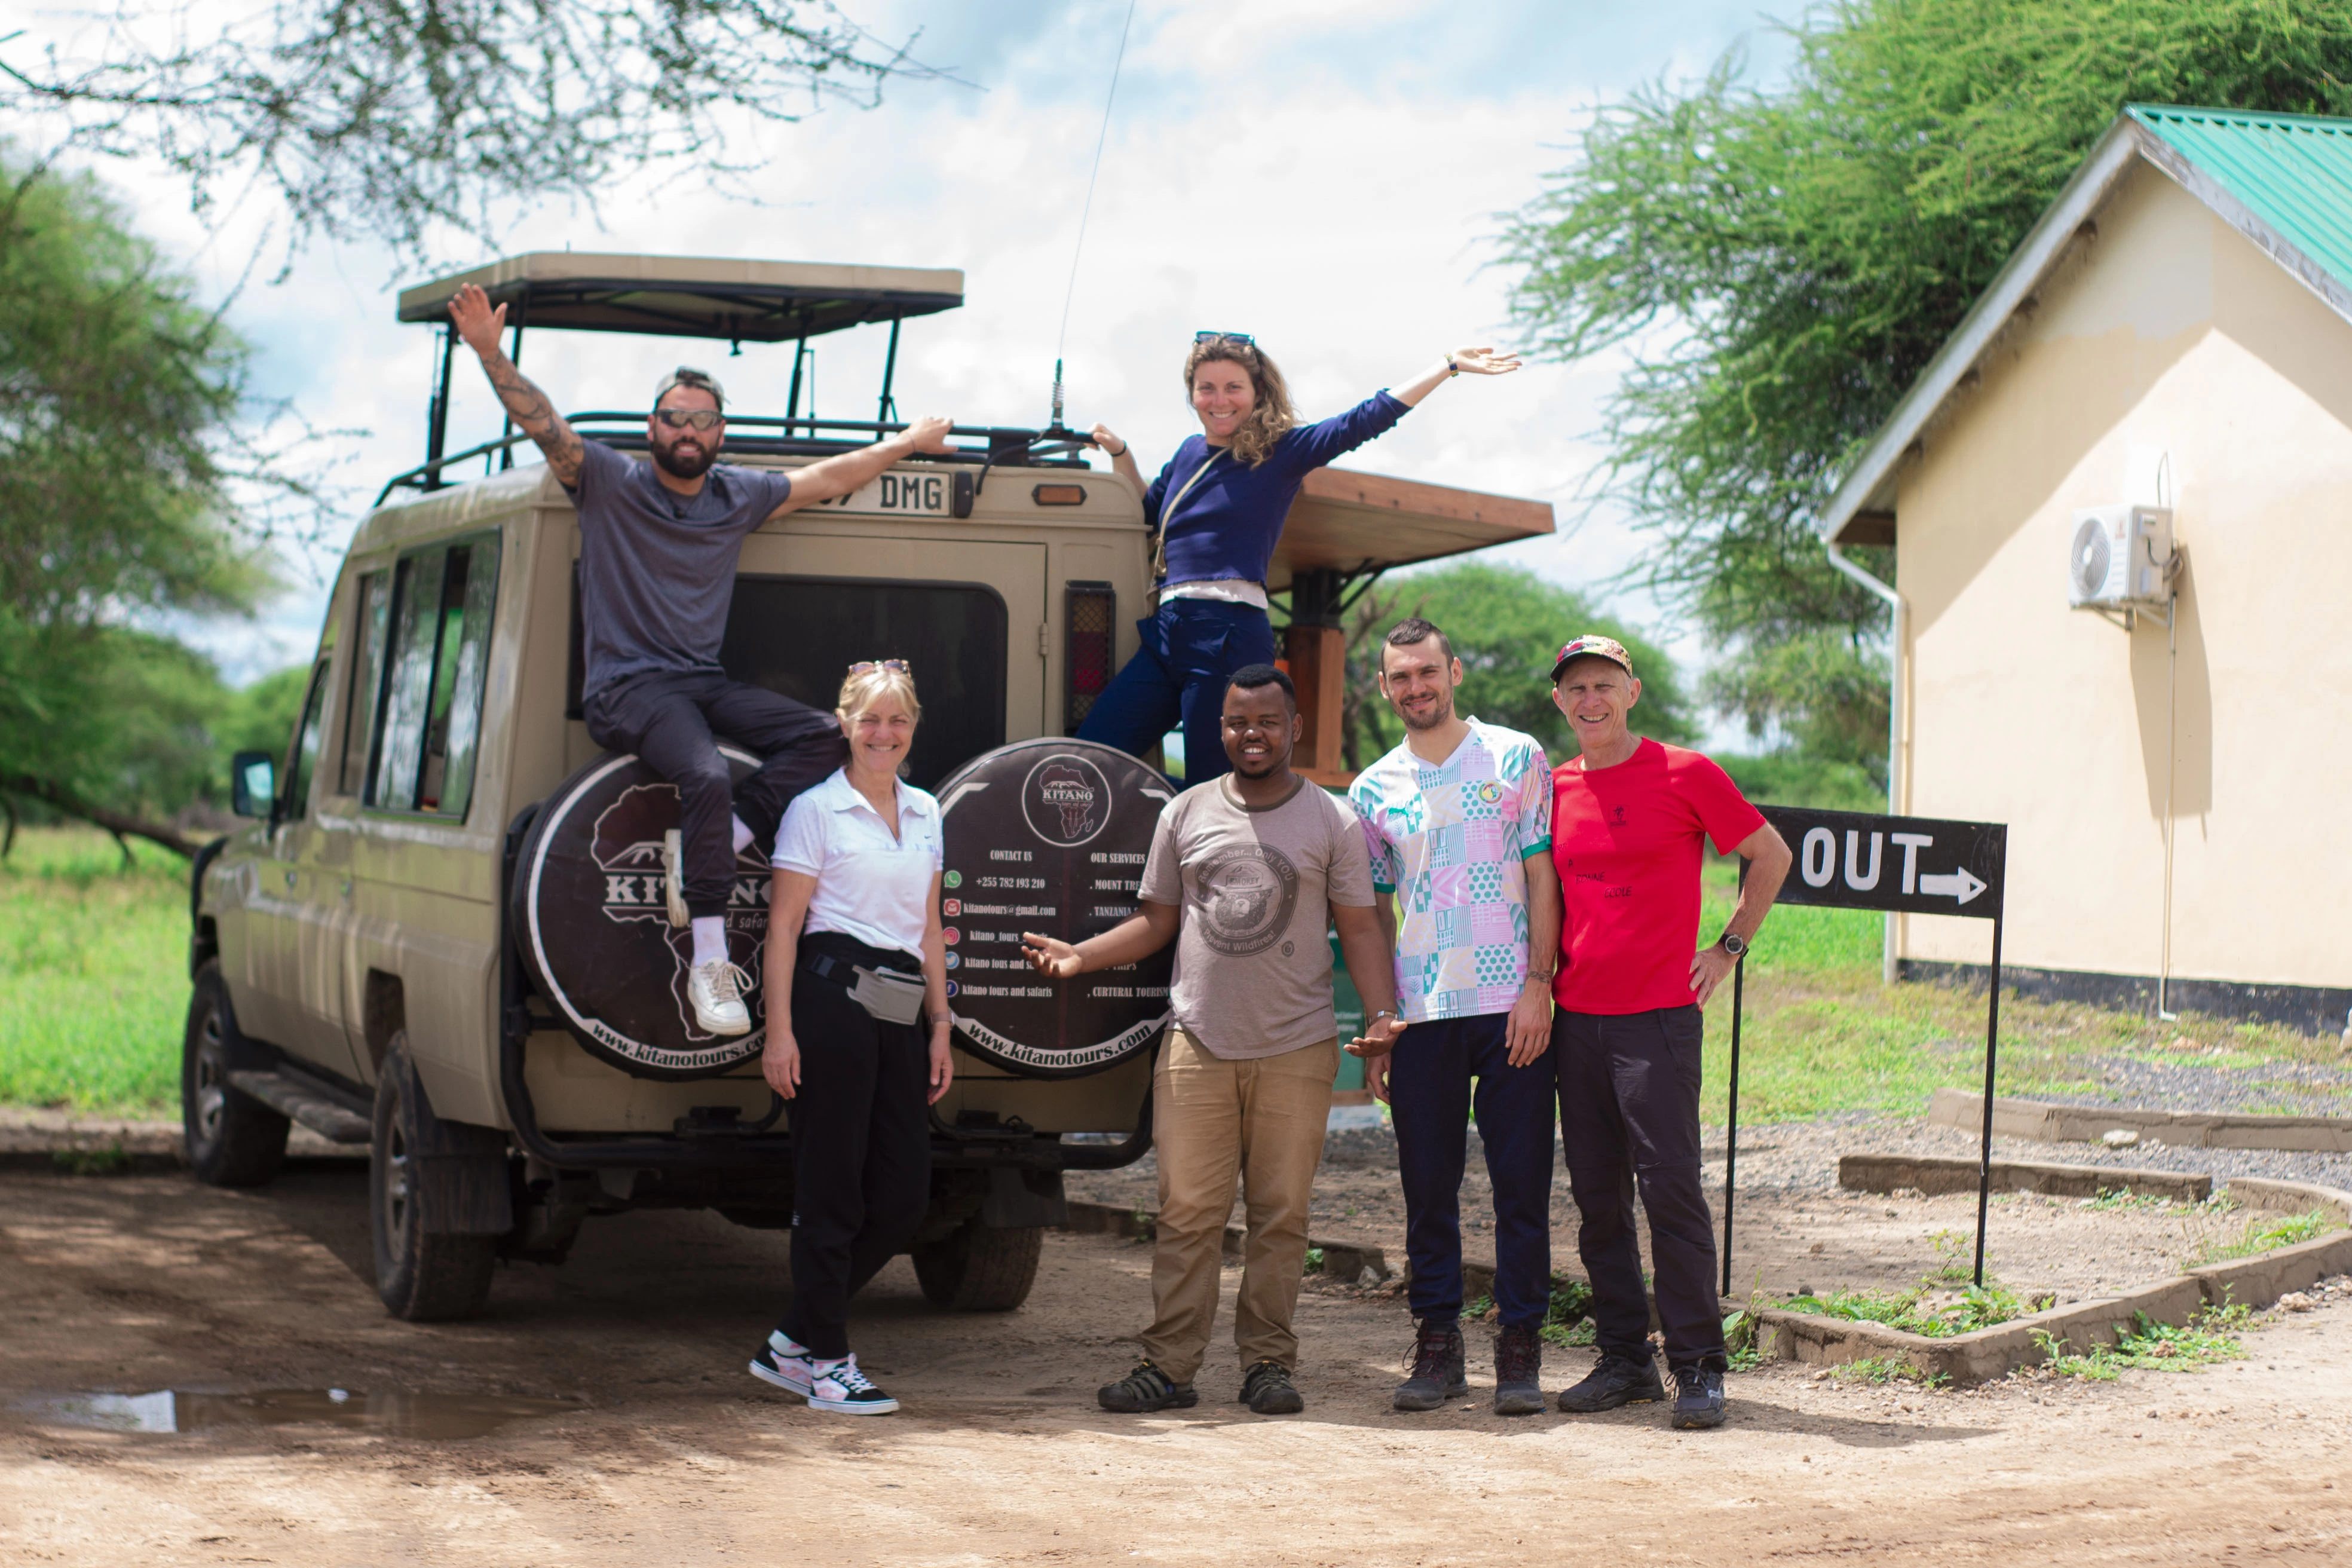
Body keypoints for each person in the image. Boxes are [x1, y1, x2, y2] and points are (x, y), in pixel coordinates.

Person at [447, 282, 954, 1036]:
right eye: (675, 416)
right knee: (706, 770)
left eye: (703, 418)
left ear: (721, 432)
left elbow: (827, 479)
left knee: (825, 735)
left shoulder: (735, 496)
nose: (688, 428)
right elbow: (544, 425)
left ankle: (719, 843)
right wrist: (492, 355)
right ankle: (709, 963)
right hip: (626, 689)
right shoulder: (609, 481)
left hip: (697, 681)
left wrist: (908, 443)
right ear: (653, 425)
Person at [1020, 665, 1403, 1415]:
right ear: (1216, 729)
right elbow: (1159, 922)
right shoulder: (1186, 811)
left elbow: (1360, 924)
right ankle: (1168, 1367)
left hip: (1297, 1045)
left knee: (1281, 1214)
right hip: (1195, 1041)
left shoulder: (1333, 820)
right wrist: (1081, 954)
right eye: (1235, 722)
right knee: (1187, 1212)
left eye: (1266, 720)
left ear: (1294, 728)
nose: (1250, 733)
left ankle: (1267, 1364)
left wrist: (1385, 1022)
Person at [1544, 635, 1792, 1431]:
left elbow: (1769, 853)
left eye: (1605, 685)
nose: (1591, 699)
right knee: (1598, 1203)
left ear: (1633, 691)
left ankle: (1698, 1369)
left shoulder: (1685, 773)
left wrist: (1729, 946)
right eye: (1577, 687)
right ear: (1559, 701)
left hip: (1657, 1020)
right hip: (1577, 1020)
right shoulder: (1550, 788)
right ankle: (1626, 1362)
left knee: (1671, 1193)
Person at [1077, 333, 1519, 782]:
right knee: (1091, 758)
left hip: (1228, 631)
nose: (1219, 400)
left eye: (1234, 387)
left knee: (1210, 784)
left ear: (1257, 392)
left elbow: (1363, 421)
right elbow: (1147, 514)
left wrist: (1447, 366)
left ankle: (1230, 837)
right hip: (1168, 631)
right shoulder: (1189, 453)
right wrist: (1122, 455)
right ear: (1192, 394)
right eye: (1206, 388)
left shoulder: (1280, 453)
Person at [1345, 618, 1562, 1416]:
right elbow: (1367, 915)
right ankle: (1437, 1344)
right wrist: (1382, 1020)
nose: (1416, 688)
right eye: (1400, 677)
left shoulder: (1516, 757)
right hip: (1424, 1014)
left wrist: (1540, 984)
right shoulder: (1371, 791)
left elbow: (1543, 879)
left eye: (1427, 672)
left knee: (1521, 1188)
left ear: (1455, 671)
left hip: (1513, 1010)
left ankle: (1521, 1348)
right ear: (1384, 687)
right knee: (1427, 1189)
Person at [748, 662, 954, 1416]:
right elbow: (783, 927)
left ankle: (794, 1339)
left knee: (900, 1198)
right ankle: (829, 1362)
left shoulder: (928, 810)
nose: (883, 733)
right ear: (844, 723)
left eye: (897, 720)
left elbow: (930, 930)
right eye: (870, 719)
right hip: (830, 1001)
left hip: (903, 1009)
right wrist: (780, 1030)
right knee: (831, 1188)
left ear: (912, 728)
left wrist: (941, 1026)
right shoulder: (815, 810)